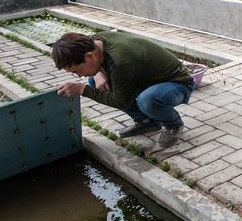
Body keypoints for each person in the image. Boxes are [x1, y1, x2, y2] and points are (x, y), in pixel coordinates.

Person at [52, 31, 194, 147]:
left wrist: (83, 90)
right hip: (146, 80)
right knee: (95, 81)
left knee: (148, 100)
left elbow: (121, 102)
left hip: (177, 83)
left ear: (89, 57)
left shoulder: (121, 62)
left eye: (77, 70)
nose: (79, 75)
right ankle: (147, 121)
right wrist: (99, 74)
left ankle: (173, 125)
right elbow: (99, 68)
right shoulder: (94, 43)